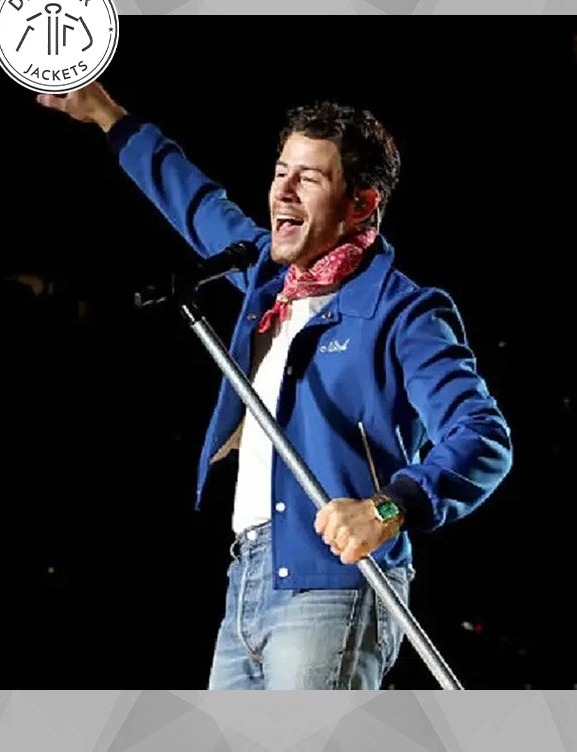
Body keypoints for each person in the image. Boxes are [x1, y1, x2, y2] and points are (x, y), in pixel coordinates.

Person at [36, 83, 512, 690]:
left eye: (307, 178)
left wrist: (390, 507)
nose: (282, 191)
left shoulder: (403, 313)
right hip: (248, 578)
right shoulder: (267, 279)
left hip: (333, 585)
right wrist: (106, 115)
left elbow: (482, 436)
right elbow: (195, 202)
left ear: (362, 203)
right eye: (280, 172)